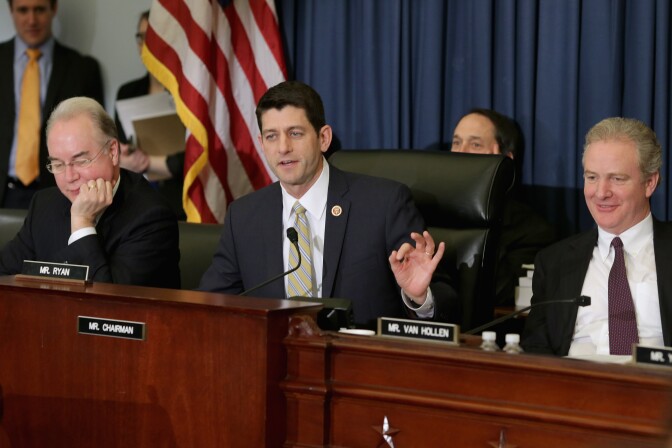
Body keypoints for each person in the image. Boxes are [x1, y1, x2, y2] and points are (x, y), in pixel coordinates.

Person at [199, 81, 459, 328]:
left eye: (295, 133)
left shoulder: (383, 204)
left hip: (360, 365)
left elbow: (447, 300)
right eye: (271, 136)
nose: (283, 148)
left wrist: (419, 297)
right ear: (261, 144)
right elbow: (209, 306)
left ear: (324, 138)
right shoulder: (244, 216)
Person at [522, 117, 671, 356]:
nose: (601, 193)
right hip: (574, 388)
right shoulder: (554, 263)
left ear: (649, 183)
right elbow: (536, 350)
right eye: (592, 177)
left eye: (617, 178)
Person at [0, 97, 181, 288]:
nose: (69, 177)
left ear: (112, 151)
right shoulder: (44, 204)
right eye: (58, 164)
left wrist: (82, 224)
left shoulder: (151, 218)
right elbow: (4, 276)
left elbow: (111, 308)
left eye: (80, 161)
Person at [0, 0, 104, 209]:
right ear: (11, 11)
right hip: (4, 193)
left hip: (59, 195)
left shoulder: (82, 68)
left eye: (39, 9)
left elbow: (95, 137)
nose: (32, 20)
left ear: (53, 9)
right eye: (23, 10)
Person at [451, 108, 556, 306]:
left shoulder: (533, 231)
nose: (461, 152)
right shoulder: (426, 213)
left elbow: (503, 296)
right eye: (456, 142)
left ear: (505, 158)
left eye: (475, 144)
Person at [115, 10, 186, 220]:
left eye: (153, 38)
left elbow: (197, 156)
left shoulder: (191, 94)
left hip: (181, 202)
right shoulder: (127, 92)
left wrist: (147, 163)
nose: (146, 46)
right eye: (141, 38)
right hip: (136, 202)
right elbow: (116, 147)